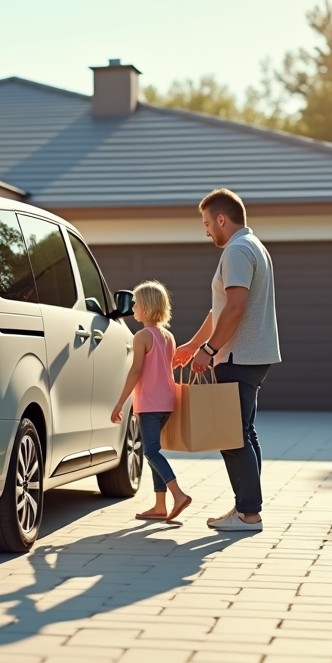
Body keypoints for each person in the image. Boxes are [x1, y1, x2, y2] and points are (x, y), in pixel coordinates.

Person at [174, 189, 280, 532]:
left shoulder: (236, 250)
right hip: (252, 355)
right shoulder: (255, 246)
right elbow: (220, 306)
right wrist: (194, 344)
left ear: (222, 219)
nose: (206, 231)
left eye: (207, 223)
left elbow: (235, 309)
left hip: (237, 355)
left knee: (231, 435)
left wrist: (209, 351)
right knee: (243, 433)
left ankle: (249, 514)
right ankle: (246, 507)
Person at [110, 281, 193, 523]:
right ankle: (160, 505)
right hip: (167, 402)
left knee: (152, 452)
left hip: (149, 403)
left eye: (135, 303)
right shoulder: (168, 336)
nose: (132, 307)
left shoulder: (141, 336)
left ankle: (178, 495)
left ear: (145, 307)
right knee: (155, 452)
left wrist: (120, 403)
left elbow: (135, 371)